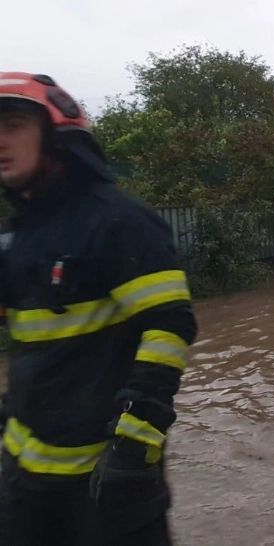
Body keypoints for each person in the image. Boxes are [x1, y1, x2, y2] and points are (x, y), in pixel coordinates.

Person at [0, 73, 197, 545]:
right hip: (22, 481)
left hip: (107, 484)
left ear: (55, 134)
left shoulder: (118, 221)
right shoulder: (17, 235)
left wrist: (134, 445)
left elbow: (169, 326)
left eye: (12, 124)